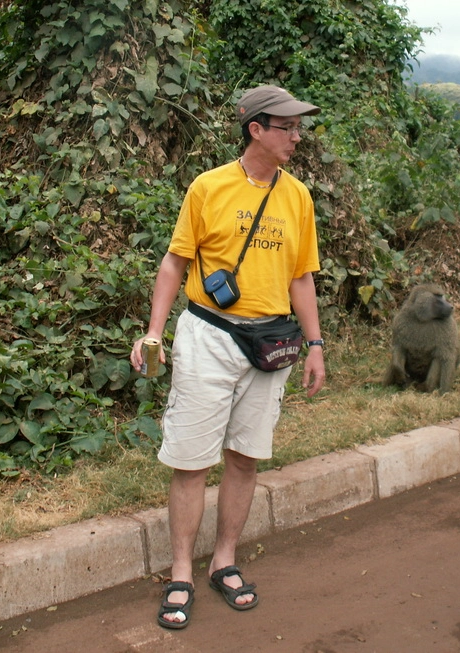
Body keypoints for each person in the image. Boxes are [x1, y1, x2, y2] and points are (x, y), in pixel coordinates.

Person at [130, 85, 327, 630]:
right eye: (286, 126)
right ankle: (180, 573)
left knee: (245, 456)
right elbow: (174, 264)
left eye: (298, 127)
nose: (296, 136)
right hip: (209, 336)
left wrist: (315, 344)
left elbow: (301, 276)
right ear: (255, 129)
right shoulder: (208, 187)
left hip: (270, 344)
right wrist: (153, 331)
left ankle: (224, 561)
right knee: (192, 459)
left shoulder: (299, 197)